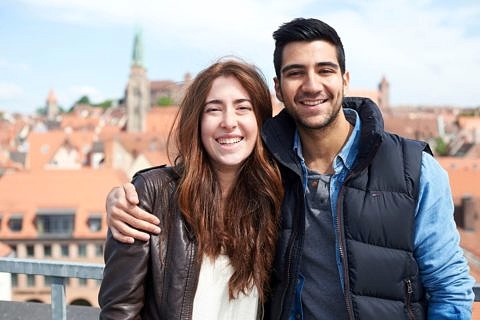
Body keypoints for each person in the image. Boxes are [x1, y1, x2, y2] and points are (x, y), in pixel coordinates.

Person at [104, 18, 475, 319]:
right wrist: (125, 195)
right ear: (279, 89)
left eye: (325, 69)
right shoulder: (272, 170)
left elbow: (450, 288)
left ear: (345, 80)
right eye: (296, 73)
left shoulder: (414, 169)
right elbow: (197, 175)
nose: (312, 85)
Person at [98, 59, 284, 320]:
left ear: (261, 120)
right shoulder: (152, 196)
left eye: (243, 108)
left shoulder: (276, 199)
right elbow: (119, 313)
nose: (229, 122)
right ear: (196, 121)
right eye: (214, 110)